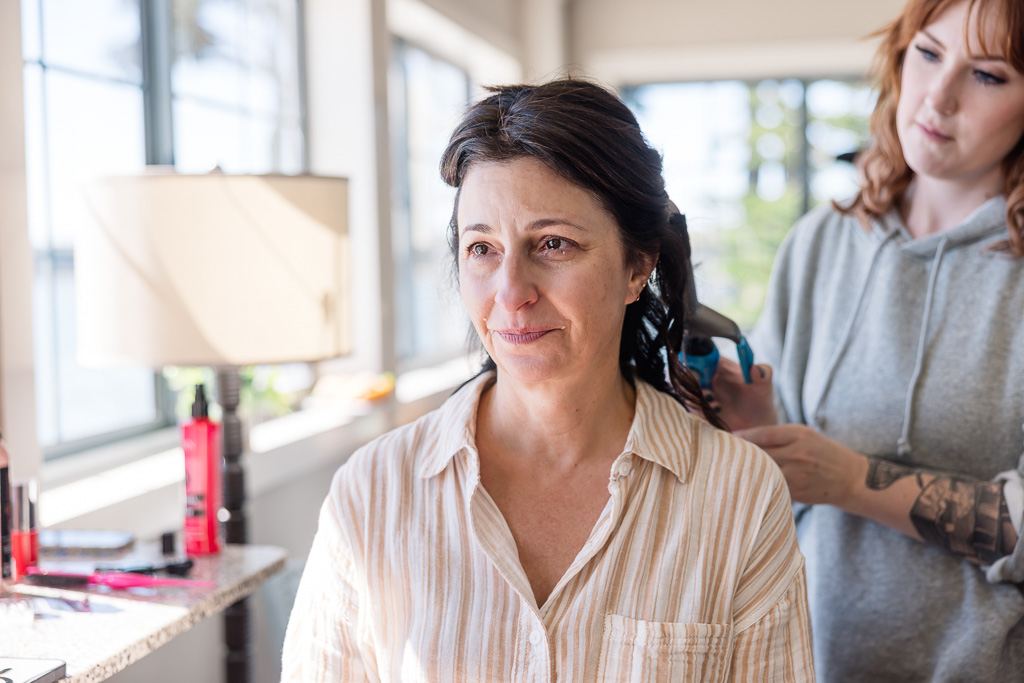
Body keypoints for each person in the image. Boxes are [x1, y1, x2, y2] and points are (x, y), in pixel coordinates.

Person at [281, 79, 815, 681]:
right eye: (482, 248)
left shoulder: (739, 496)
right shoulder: (374, 492)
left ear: (637, 266)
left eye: (554, 243)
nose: (511, 293)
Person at [710, 0, 1024, 680]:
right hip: (817, 661)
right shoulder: (821, 242)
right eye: (929, 54)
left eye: (990, 75)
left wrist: (854, 481)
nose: (938, 96)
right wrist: (758, 426)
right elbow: (783, 490)